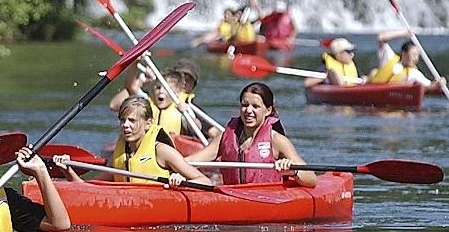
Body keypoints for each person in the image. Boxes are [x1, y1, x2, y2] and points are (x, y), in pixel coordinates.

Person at [58, 96, 210, 186]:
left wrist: (181, 180)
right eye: (123, 120)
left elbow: (204, 181)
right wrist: (68, 171)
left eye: (132, 121)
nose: (126, 125)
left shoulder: (163, 151)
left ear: (148, 124)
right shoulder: (118, 156)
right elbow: (89, 189)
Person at [187, 83, 317, 187]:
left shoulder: (277, 140)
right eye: (244, 105)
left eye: (255, 106)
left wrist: (293, 171)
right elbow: (192, 161)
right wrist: (174, 169)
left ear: (268, 110)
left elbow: (311, 179)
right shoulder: (224, 137)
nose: (248, 111)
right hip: (232, 199)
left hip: (269, 201)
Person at [369, 30, 446, 92]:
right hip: (372, 90)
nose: (415, 58)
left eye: (417, 56)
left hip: (393, 100)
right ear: (404, 53)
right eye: (413, 55)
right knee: (373, 73)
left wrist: (440, 82)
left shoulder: (414, 73)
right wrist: (403, 33)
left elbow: (430, 86)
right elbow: (381, 38)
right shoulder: (389, 57)